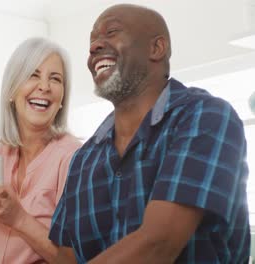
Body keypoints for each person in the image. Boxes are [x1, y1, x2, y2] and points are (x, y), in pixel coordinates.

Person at [49, 4, 250, 263]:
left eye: (111, 32)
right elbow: (65, 254)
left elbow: (159, 243)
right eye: (92, 40)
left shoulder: (205, 118)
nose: (94, 47)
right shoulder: (82, 160)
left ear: (157, 48)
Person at [0, 37, 82, 263]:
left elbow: (76, 258)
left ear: (62, 98)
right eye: (33, 75)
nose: (44, 87)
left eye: (55, 79)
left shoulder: (74, 157)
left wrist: (18, 218)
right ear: (12, 90)